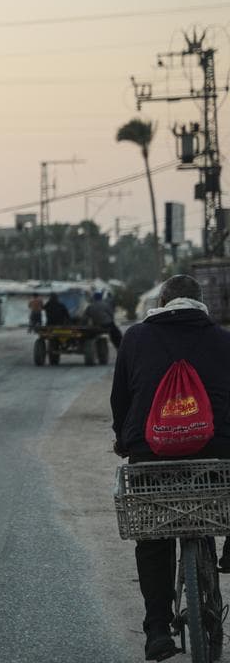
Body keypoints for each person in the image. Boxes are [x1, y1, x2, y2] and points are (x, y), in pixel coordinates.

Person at [111, 275, 230, 661]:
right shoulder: (223, 339)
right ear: (201, 303)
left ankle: (158, 629)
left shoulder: (135, 338)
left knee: (154, 537)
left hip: (152, 453)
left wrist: (124, 439)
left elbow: (121, 399)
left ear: (162, 302)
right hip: (216, 455)